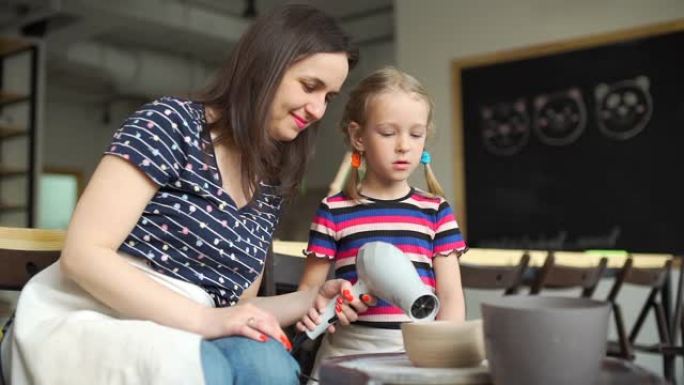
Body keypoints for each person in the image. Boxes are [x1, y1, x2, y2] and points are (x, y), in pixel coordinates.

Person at [0, 4, 367, 385]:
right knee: (211, 365)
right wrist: (205, 320)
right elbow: (83, 254)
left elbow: (236, 309)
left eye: (329, 96)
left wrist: (311, 299)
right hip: (96, 315)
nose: (318, 110)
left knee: (265, 360)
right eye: (310, 87)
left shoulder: (268, 184)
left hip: (186, 329)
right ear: (265, 67)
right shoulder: (171, 124)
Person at [296, 67, 468, 382]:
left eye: (416, 134)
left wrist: (444, 356)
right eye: (388, 133)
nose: (404, 145)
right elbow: (309, 291)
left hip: (415, 356)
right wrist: (325, 306)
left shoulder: (435, 211)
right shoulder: (334, 211)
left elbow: (451, 295)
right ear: (358, 137)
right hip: (345, 355)